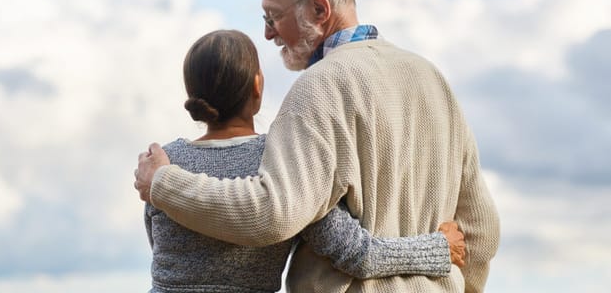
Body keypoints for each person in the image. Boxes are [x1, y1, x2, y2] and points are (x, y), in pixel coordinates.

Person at [134, 0, 500, 293]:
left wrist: (164, 183)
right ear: (256, 89)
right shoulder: (433, 80)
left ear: (319, 10)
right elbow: (481, 230)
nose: (267, 32)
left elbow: (274, 213)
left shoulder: (318, 90)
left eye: (272, 16)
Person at [145, 29, 466, 293]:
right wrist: (437, 249)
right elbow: (357, 255)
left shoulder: (161, 164)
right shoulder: (281, 159)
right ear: (258, 86)